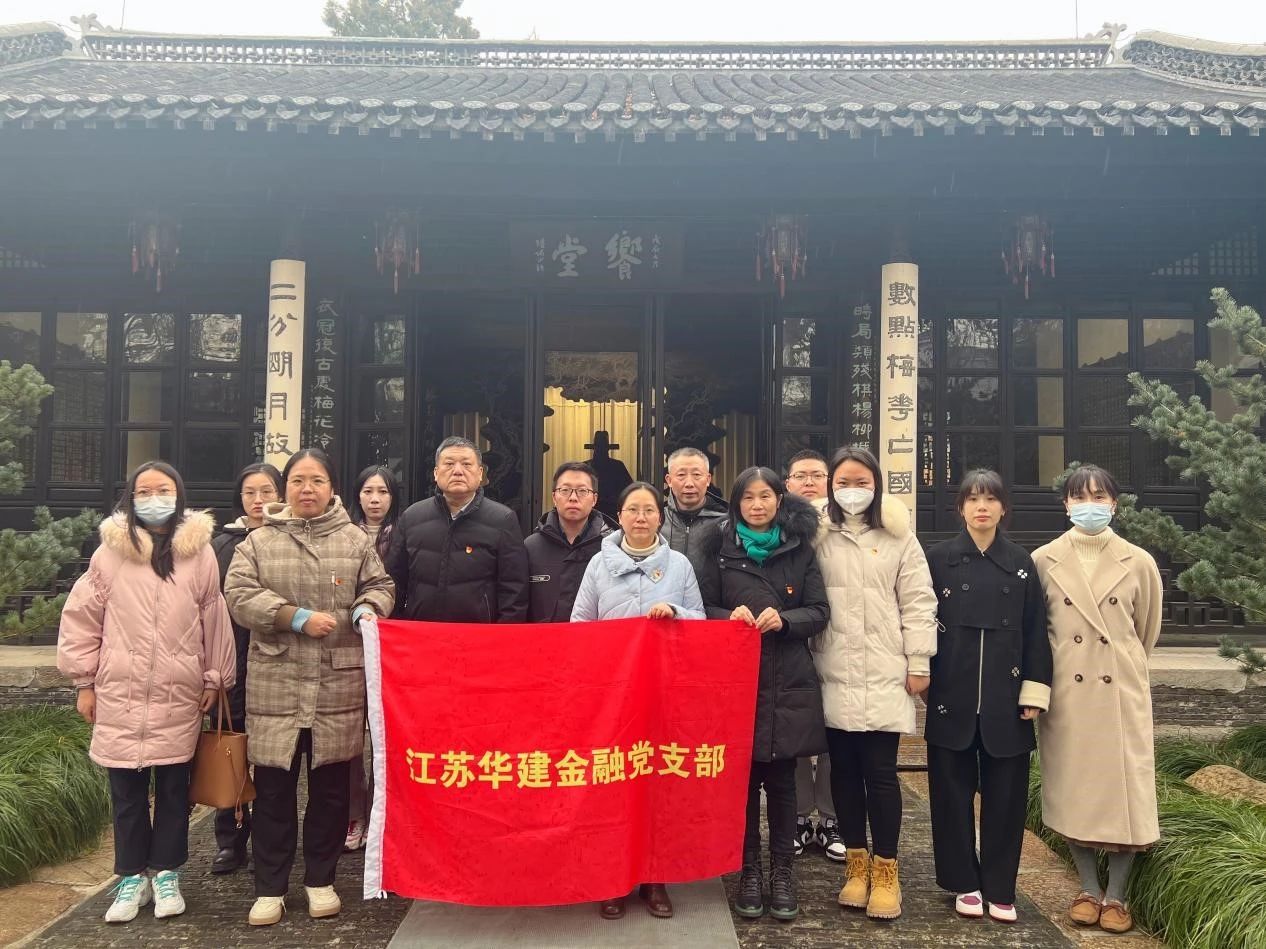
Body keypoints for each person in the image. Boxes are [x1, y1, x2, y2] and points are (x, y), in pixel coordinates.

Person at [58, 461, 236, 924]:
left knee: (175, 790)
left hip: (180, 691)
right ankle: (130, 876)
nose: (154, 498)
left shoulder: (199, 553)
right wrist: (84, 683)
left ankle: (166, 872)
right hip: (119, 690)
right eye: (144, 491)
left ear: (178, 494)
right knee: (127, 792)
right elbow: (82, 618)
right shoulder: (109, 554)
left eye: (163, 489)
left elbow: (214, 617)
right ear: (130, 497)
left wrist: (215, 678)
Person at [224, 448, 395, 927]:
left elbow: (380, 586)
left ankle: (321, 879)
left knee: (331, 792)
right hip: (276, 682)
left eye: (317, 480)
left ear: (332, 487)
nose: (307, 489)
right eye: (298, 480)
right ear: (286, 488)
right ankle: (270, 888)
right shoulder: (259, 541)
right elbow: (238, 594)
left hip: (337, 683)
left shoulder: (354, 539)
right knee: (273, 790)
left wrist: (367, 609)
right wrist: (292, 617)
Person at [1032, 464, 1162, 936]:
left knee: (1125, 792)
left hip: (1119, 691)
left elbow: (1145, 631)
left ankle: (1118, 895)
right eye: (1080, 497)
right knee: (1075, 788)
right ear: (1066, 505)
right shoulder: (1043, 560)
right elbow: (1038, 631)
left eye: (1099, 496)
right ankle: (1088, 888)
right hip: (1069, 691)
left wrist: (1127, 670)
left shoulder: (1138, 561)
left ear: (1114, 504)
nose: (1090, 505)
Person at [696, 467, 828, 921]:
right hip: (737, 678)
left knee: (783, 780)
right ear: (736, 504)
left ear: (779, 500)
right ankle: (749, 870)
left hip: (786, 675)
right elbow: (701, 607)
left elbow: (819, 611)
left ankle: (783, 872)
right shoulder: (717, 549)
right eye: (748, 497)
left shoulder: (799, 548)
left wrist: (786, 620)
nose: (757, 505)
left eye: (765, 496)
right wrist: (726, 617)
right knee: (745, 782)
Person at [811, 446, 937, 921]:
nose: (853, 490)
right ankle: (856, 866)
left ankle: (887, 870)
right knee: (843, 770)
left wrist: (919, 660)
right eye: (843, 482)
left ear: (877, 485)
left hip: (885, 667)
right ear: (831, 486)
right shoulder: (817, 535)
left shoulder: (900, 535)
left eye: (862, 482)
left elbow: (919, 600)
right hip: (832, 666)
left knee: (881, 772)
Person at [571, 481, 706, 921]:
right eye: (633, 509)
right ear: (620, 516)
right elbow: (580, 624)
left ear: (660, 518)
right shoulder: (598, 564)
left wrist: (676, 614)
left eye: (649, 510)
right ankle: (612, 879)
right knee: (612, 786)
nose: (641, 517)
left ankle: (654, 878)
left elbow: (701, 620)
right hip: (612, 693)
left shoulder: (680, 565)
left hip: (662, 692)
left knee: (656, 786)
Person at [925, 470, 1052, 924]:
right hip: (950, 693)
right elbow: (919, 622)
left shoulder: (1021, 562)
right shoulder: (938, 559)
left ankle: (1000, 887)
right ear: (960, 508)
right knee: (950, 795)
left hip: (1006, 697)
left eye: (991, 499)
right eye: (973, 499)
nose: (982, 507)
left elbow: (1036, 631)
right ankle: (963, 881)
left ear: (1003, 508)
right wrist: (922, 676)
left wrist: (1034, 689)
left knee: (1006, 799)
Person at [208, 462, 284, 875]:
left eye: (266, 491)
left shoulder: (289, 538)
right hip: (231, 662)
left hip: (276, 664)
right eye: (250, 493)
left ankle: (270, 844)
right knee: (231, 757)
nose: (258, 500)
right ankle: (231, 837)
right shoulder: (220, 545)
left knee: (272, 764)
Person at [385, 436, 528, 623]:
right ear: (436, 473)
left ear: (480, 473)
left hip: (478, 634)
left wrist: (502, 635)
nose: (458, 471)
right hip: (421, 632)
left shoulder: (502, 520)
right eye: (449, 464)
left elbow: (514, 590)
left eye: (467, 464)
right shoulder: (412, 517)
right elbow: (395, 581)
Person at [783, 449, 842, 860]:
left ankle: (832, 817)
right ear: (787, 483)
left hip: (839, 640)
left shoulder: (847, 524)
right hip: (794, 637)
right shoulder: (779, 525)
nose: (808, 482)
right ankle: (801, 816)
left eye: (817, 475)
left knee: (835, 732)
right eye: (800, 475)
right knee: (798, 731)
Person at [344, 464, 402, 852]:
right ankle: (354, 814)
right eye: (368, 491)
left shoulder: (404, 534)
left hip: (390, 648)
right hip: (347, 645)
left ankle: (381, 811)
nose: (375, 499)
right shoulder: (343, 533)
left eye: (383, 492)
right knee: (350, 740)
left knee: (386, 737)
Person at [525, 461, 613, 622]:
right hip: (543, 638)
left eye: (582, 491)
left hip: (594, 637)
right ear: (554, 497)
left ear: (594, 499)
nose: (573, 498)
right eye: (565, 490)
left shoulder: (610, 548)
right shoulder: (530, 547)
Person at [660, 446, 726, 582]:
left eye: (696, 475)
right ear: (669, 480)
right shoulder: (657, 521)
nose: (689, 483)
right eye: (681, 475)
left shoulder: (725, 523)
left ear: (708, 479)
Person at [585, 431, 633, 523]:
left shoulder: (618, 467)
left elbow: (629, 491)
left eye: (602, 448)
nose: (600, 451)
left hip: (612, 516)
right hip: (589, 515)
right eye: (599, 447)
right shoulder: (585, 468)